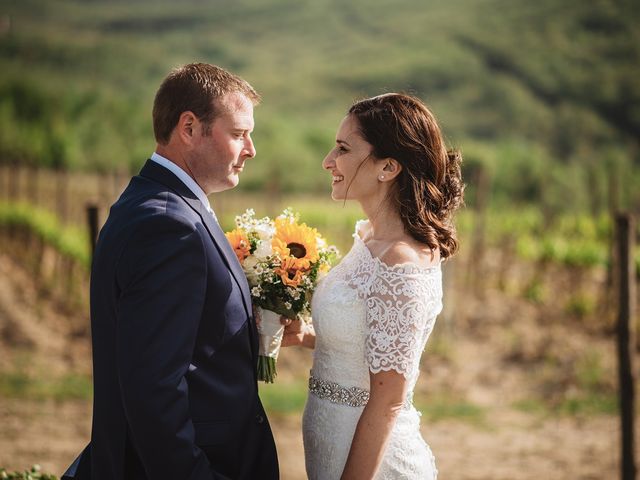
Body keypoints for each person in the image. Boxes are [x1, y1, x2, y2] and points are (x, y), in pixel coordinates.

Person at [62, 63, 279, 480]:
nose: (251, 149)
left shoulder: (160, 204)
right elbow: (153, 390)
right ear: (189, 127)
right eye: (238, 134)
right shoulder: (168, 225)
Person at [283, 93, 463, 479]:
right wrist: (308, 336)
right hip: (331, 440)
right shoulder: (368, 239)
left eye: (343, 149)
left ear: (388, 167)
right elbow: (372, 340)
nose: (328, 161)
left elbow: (388, 403)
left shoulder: (403, 264)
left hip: (373, 464)